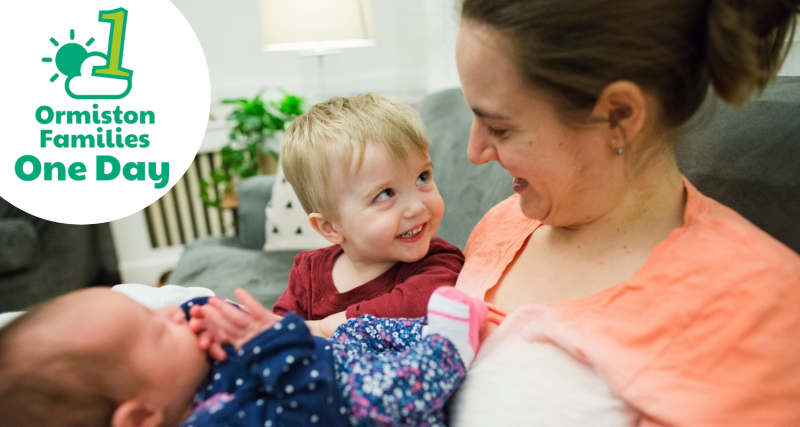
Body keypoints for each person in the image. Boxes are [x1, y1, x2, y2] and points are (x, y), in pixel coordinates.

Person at [447, 0, 800, 425]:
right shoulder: (503, 224)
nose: (474, 153)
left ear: (618, 114)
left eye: (501, 128)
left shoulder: (756, 306)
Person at [0, 286, 487, 427]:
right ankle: (446, 351)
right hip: (350, 410)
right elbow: (310, 409)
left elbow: (193, 318)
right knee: (371, 397)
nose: (171, 313)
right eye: (156, 329)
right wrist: (269, 342)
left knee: (355, 330)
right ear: (141, 416)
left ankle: (420, 331)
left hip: (324, 362)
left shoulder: (180, 382)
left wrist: (215, 321)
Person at [273, 94, 464, 336]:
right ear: (330, 227)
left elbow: (422, 303)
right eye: (385, 194)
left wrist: (322, 327)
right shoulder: (307, 272)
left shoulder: (440, 263)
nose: (417, 207)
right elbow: (277, 333)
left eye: (422, 177)